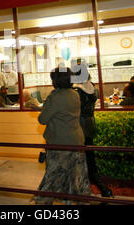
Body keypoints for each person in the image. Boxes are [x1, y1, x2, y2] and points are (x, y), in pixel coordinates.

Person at [32, 67, 90, 205]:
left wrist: (41, 109)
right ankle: (73, 200)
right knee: (75, 175)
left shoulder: (55, 96)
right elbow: (63, 112)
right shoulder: (75, 94)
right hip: (76, 139)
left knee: (54, 174)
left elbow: (43, 119)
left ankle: (43, 201)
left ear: (56, 80)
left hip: (59, 141)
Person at [72, 64, 113, 198]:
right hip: (90, 124)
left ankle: (82, 190)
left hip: (79, 125)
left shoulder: (77, 91)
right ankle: (103, 188)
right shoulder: (91, 86)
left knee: (79, 159)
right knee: (89, 157)